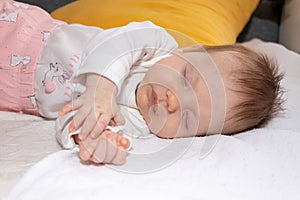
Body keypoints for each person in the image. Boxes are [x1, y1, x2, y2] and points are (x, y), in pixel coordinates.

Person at [0, 0, 284, 165]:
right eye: (186, 78)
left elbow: (68, 117)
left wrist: (94, 139)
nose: (173, 100)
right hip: (20, 31)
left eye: (187, 118)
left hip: (11, 93)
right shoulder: (155, 46)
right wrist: (101, 89)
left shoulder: (137, 128)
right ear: (186, 51)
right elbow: (115, 43)